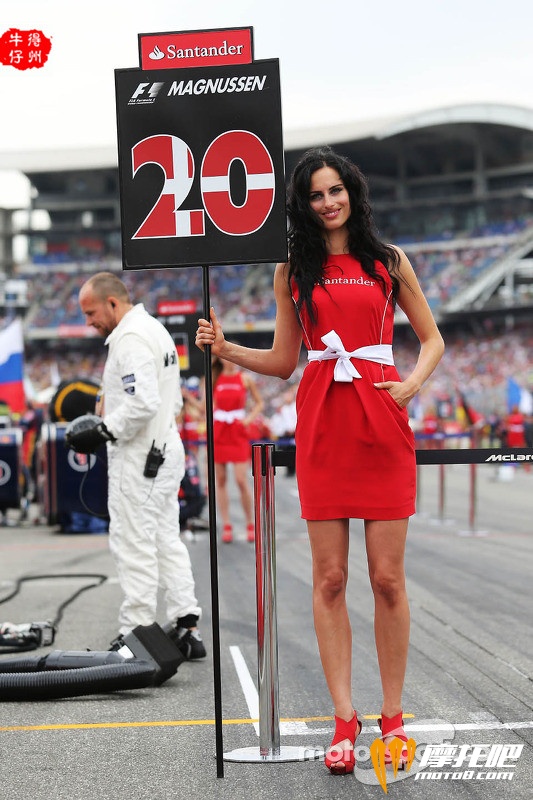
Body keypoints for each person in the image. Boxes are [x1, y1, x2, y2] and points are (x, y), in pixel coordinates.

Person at [196, 146, 444, 774]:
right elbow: (284, 362)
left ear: (352, 195)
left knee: (387, 579)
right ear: (303, 205)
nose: (328, 202)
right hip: (324, 422)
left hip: (382, 419)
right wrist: (226, 346)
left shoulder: (389, 262)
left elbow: (433, 338)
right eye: (315, 194)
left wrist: (409, 386)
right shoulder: (293, 270)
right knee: (329, 579)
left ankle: (392, 718)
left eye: (337, 191)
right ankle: (343, 719)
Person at [77, 272, 206, 660]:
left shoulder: (130, 339)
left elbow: (142, 401)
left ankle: (135, 634)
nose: (88, 322)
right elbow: (172, 399)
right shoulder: (156, 330)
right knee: (166, 539)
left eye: (91, 312)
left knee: (133, 543)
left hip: (140, 456)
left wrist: (102, 430)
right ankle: (186, 625)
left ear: (113, 303)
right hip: (165, 446)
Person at [211, 356, 264, 543]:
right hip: (219, 431)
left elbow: (259, 403)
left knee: (241, 480)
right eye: (225, 358)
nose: (229, 361)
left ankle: (250, 523)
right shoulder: (213, 377)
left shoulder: (245, 379)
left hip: (237, 430)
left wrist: (248, 420)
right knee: (221, 479)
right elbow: (206, 406)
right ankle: (227, 524)